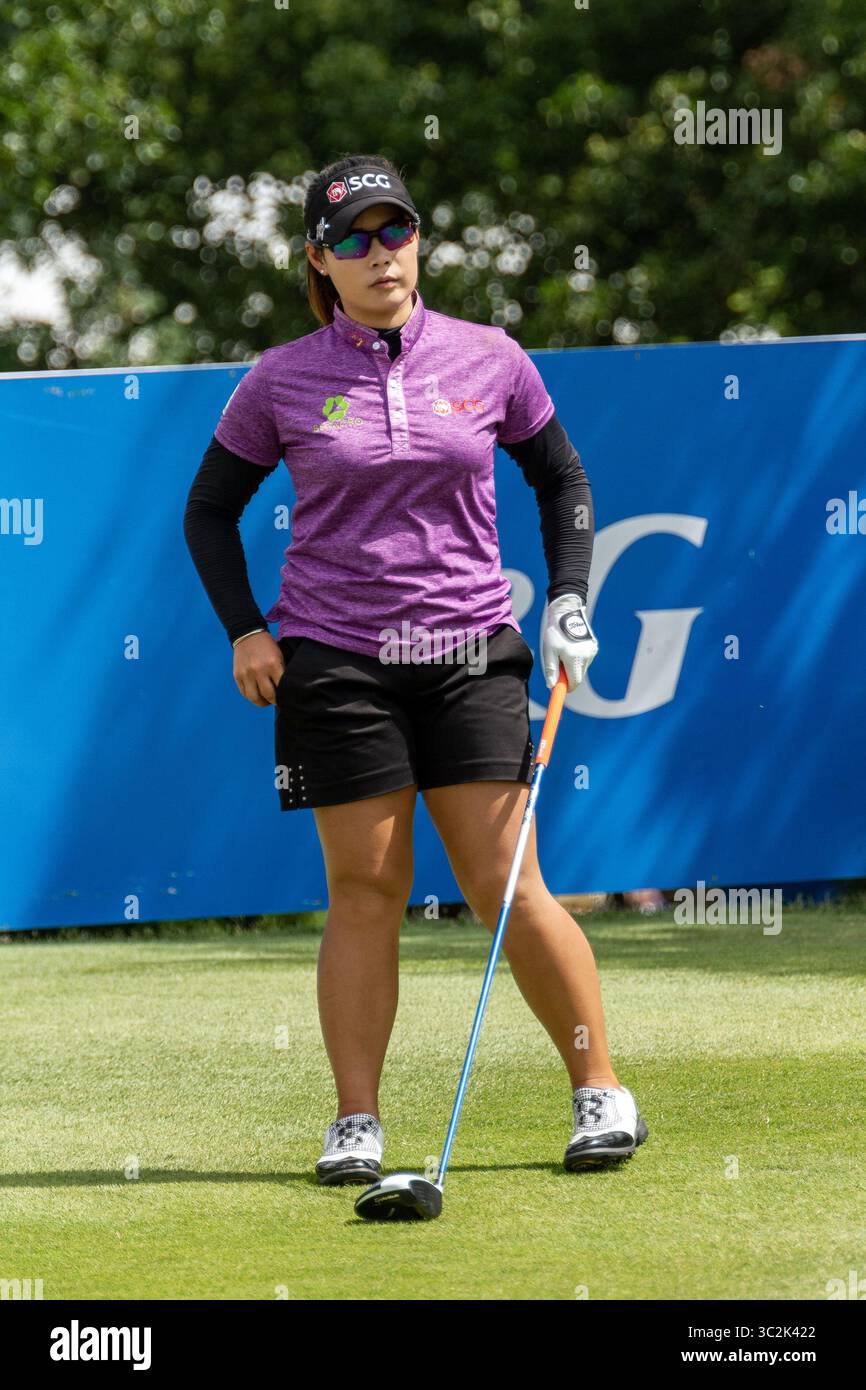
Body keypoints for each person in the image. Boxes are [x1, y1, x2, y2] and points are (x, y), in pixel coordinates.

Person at [183, 153, 648, 1186]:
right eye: (351, 238)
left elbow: (559, 474)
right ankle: (357, 1122)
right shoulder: (281, 379)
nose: (378, 253)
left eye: (393, 231)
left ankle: (599, 1089)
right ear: (318, 259)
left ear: (418, 241)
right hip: (337, 660)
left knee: (504, 882)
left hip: (467, 652)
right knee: (363, 886)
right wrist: (244, 631)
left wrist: (567, 596)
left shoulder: (488, 357)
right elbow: (208, 510)